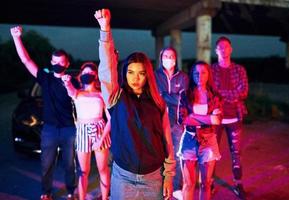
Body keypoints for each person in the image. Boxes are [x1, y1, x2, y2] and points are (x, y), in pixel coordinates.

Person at [95, 9, 176, 200]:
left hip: (153, 178)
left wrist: (169, 177)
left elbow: (167, 141)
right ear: (124, 73)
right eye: (130, 72)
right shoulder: (117, 98)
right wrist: (105, 30)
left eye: (140, 73)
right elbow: (106, 69)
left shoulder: (158, 103)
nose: (135, 78)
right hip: (123, 177)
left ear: (147, 74)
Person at [10, 26, 77, 200]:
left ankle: (71, 191)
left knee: (70, 164)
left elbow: (78, 97)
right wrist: (16, 37)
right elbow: (26, 60)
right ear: (51, 62)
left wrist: (68, 83)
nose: (57, 65)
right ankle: (46, 192)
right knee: (46, 164)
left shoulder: (72, 81)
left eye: (61, 62)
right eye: (54, 62)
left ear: (67, 64)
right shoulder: (44, 78)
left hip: (69, 129)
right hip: (49, 129)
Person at [61, 62, 111, 200]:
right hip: (82, 131)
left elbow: (111, 118)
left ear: (95, 75)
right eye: (84, 73)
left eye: (90, 73)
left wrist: (101, 139)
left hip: (100, 130)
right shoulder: (77, 93)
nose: (87, 75)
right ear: (80, 75)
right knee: (83, 172)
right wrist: (67, 82)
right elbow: (70, 90)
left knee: (103, 169)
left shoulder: (101, 94)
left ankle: (105, 197)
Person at [177, 61, 222, 200]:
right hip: (189, 139)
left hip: (208, 140)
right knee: (188, 184)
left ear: (208, 74)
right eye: (196, 73)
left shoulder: (214, 95)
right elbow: (183, 120)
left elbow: (217, 120)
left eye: (203, 72)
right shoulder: (185, 94)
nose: (199, 76)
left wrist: (193, 117)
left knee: (206, 184)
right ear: (192, 75)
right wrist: (208, 118)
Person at [211, 36, 248, 199]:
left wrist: (223, 95)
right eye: (220, 47)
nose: (224, 50)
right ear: (216, 50)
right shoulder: (212, 70)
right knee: (212, 152)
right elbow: (213, 92)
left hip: (235, 117)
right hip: (216, 118)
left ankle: (238, 184)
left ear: (231, 49)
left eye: (226, 47)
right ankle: (209, 182)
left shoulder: (239, 70)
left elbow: (244, 91)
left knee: (236, 153)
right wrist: (233, 95)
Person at [155, 47, 189, 199]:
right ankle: (159, 186)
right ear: (161, 58)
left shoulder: (183, 77)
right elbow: (156, 96)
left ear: (176, 59)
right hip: (158, 121)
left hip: (177, 123)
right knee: (159, 155)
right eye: (166, 56)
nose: (168, 58)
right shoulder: (155, 76)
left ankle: (176, 187)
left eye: (171, 56)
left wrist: (165, 95)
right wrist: (172, 97)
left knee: (176, 155)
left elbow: (183, 100)